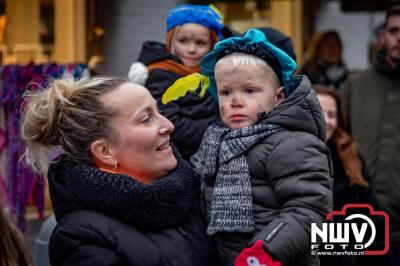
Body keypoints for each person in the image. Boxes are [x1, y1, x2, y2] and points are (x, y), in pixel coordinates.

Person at [20, 77, 219, 266]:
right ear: (105, 152)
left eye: (158, 111)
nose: (168, 125)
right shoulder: (82, 238)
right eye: (146, 119)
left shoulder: (190, 191)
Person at [189, 29, 333, 266]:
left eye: (249, 90)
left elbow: (309, 209)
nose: (235, 100)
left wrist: (266, 253)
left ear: (278, 98)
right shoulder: (216, 140)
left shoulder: (292, 143)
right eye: (226, 92)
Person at [340, 5, 400, 265]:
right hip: (357, 222)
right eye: (394, 30)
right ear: (383, 37)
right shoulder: (356, 85)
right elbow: (338, 144)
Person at [128, 4, 224, 160]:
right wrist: (219, 129)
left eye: (200, 43)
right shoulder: (162, 74)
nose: (191, 49)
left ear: (213, 45)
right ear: (170, 41)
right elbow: (172, 125)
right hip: (181, 158)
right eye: (183, 41)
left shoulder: (215, 73)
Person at [315, 85, 390, 266]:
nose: (326, 120)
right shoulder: (283, 155)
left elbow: (374, 223)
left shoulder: (349, 156)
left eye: (332, 115)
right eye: (318, 111)